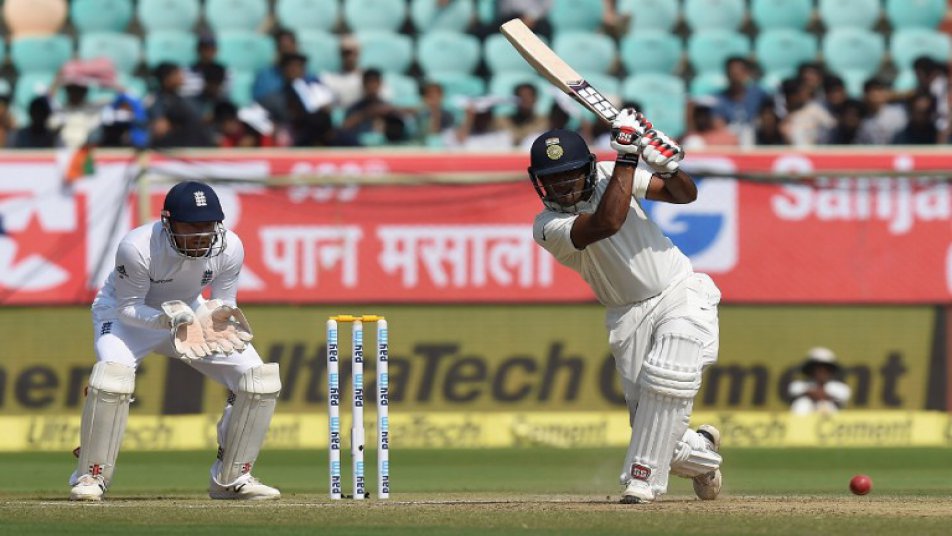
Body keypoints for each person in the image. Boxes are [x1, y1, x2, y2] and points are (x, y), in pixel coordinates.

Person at [528, 109, 723, 504]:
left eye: (570, 175)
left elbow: (684, 195)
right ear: (540, 184)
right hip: (626, 316)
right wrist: (629, 155)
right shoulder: (547, 226)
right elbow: (606, 223)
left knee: (668, 374)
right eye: (553, 180)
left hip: (677, 290)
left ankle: (641, 482)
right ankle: (703, 453)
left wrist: (667, 168)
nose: (564, 188)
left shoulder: (608, 175)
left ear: (588, 168)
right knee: (654, 429)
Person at [68, 181, 282, 502]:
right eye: (192, 226)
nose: (201, 234)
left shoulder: (230, 247)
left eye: (208, 226)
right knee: (112, 377)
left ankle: (232, 478)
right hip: (125, 317)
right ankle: (90, 475)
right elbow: (128, 307)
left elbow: (223, 299)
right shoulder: (138, 246)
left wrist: (217, 316)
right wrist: (165, 320)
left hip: (189, 313)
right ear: (168, 222)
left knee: (257, 379)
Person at [788, 347, 851, 414]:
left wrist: (822, 395)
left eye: (825, 368)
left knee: (827, 405)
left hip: (832, 422)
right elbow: (793, 390)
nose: (821, 371)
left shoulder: (840, 387)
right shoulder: (800, 384)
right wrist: (810, 393)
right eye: (817, 368)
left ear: (830, 370)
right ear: (810, 369)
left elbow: (844, 395)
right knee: (802, 403)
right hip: (804, 422)